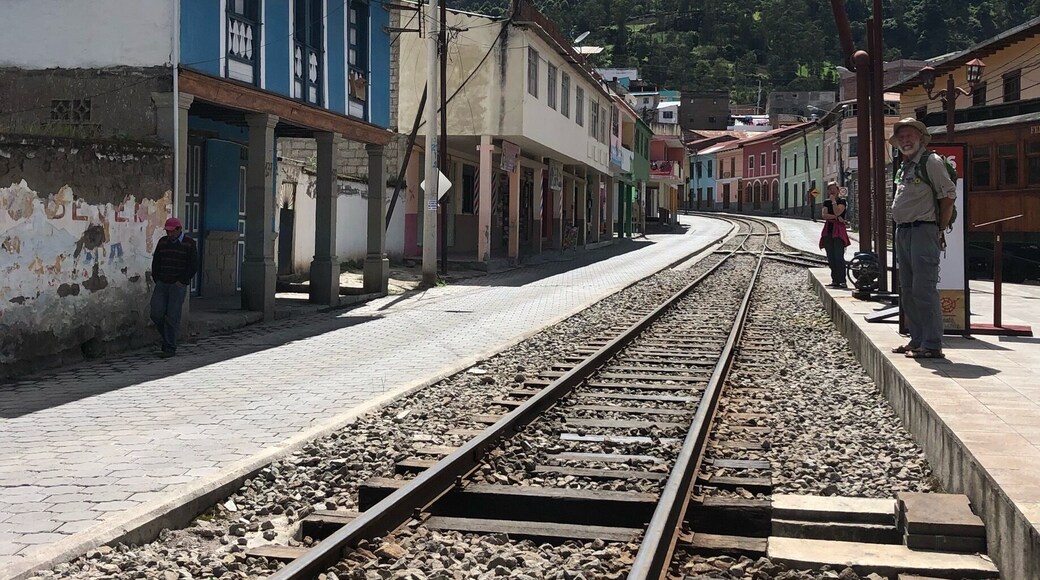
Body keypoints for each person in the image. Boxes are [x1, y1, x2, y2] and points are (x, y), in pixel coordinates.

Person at [889, 118, 956, 359]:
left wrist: (938, 227)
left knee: (923, 289)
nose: (905, 140)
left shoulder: (932, 162)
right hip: (904, 231)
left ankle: (931, 343)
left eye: (909, 136)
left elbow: (948, 197)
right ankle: (916, 339)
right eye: (901, 137)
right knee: (907, 289)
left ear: (920, 138)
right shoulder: (905, 166)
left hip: (923, 230)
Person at [150, 217, 198, 358]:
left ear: (179, 229)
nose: (169, 234)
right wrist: (157, 278)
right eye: (167, 232)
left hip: (177, 285)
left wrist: (183, 281)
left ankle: (170, 346)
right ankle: (167, 338)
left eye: (171, 232)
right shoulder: (163, 242)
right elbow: (156, 262)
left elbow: (193, 265)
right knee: (156, 313)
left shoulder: (189, 244)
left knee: (172, 316)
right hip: (162, 283)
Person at [819, 181, 850, 288]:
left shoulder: (842, 201)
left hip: (838, 231)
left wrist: (833, 202)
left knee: (838, 257)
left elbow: (838, 212)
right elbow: (824, 215)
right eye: (830, 189)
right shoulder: (826, 202)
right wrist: (836, 218)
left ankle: (842, 280)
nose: (832, 191)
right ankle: (835, 280)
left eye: (833, 188)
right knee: (831, 257)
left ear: (837, 190)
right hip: (828, 231)